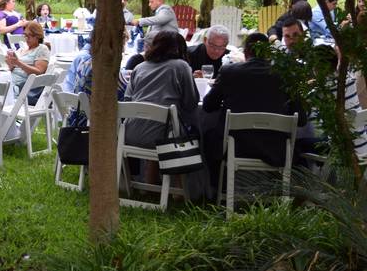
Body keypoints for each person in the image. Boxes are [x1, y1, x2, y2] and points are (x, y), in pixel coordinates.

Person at [201, 32, 307, 183]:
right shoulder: (286, 75)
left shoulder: (229, 72)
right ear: (269, 54)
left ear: (245, 53)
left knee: (209, 136)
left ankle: (218, 187)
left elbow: (208, 106)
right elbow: (301, 119)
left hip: (236, 146)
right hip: (276, 149)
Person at [124, 31, 198, 149]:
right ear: (181, 49)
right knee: (196, 127)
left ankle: (146, 167)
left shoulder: (139, 67)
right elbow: (191, 103)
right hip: (165, 138)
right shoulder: (181, 66)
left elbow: (127, 100)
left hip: (130, 134)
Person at [5, 21, 51, 105]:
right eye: (25, 35)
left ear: (37, 36)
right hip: (10, 81)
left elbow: (39, 72)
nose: (26, 39)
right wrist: (10, 64)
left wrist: (18, 63)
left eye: (29, 36)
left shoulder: (41, 49)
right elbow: (14, 68)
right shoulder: (23, 49)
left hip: (23, 89)